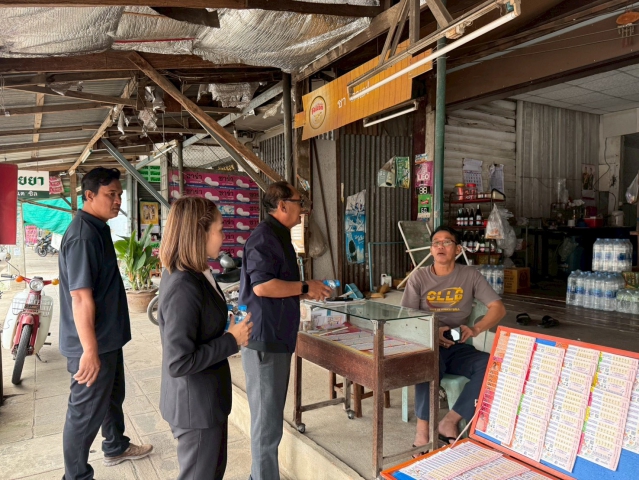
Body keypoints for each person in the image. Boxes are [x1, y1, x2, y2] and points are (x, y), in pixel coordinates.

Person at [58, 167, 153, 480]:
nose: (118, 201)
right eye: (111, 194)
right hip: (92, 343)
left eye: (119, 194)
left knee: (112, 398)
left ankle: (115, 446)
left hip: (107, 339)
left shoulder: (97, 228)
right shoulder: (83, 237)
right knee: (84, 413)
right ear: (89, 195)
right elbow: (80, 297)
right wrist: (89, 350)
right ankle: (76, 476)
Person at [239, 181, 332, 480]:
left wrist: (306, 291)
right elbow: (263, 286)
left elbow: (279, 285)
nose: (303, 208)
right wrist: (305, 286)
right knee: (266, 426)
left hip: (276, 338)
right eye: (299, 202)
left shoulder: (279, 236)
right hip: (265, 340)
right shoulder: (264, 237)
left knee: (269, 421)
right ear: (282, 205)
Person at [157, 196, 252, 480]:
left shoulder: (199, 271)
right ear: (199, 233)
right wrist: (231, 340)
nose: (224, 237)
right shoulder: (183, 284)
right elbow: (179, 362)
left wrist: (226, 329)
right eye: (220, 229)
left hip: (207, 401)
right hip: (195, 408)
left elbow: (199, 326)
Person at [401, 226, 506, 451]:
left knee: (492, 366)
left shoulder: (470, 275)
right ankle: (422, 431)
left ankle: (449, 421)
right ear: (431, 250)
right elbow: (406, 317)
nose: (441, 246)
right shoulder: (419, 277)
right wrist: (432, 332)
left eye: (447, 242)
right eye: (436, 243)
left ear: (458, 249)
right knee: (427, 364)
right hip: (427, 343)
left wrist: (476, 329)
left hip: (457, 344)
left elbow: (498, 308)